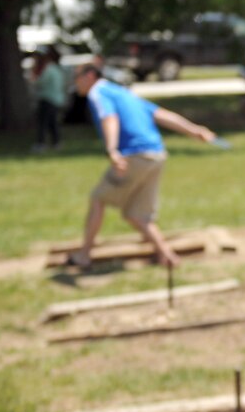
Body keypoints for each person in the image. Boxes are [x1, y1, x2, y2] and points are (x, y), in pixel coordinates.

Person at [68, 63, 216, 269]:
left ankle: (84, 256)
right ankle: (167, 256)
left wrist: (112, 150)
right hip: (156, 154)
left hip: (134, 155)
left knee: (98, 199)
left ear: (90, 75)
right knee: (137, 214)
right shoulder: (124, 93)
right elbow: (162, 115)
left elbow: (109, 118)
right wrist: (195, 130)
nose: (74, 83)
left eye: (76, 77)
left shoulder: (98, 92)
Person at [30, 46, 66, 152]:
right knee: (52, 123)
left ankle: (41, 144)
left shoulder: (48, 69)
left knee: (43, 123)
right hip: (56, 99)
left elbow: (39, 82)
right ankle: (56, 143)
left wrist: (33, 76)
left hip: (48, 99)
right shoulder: (56, 68)